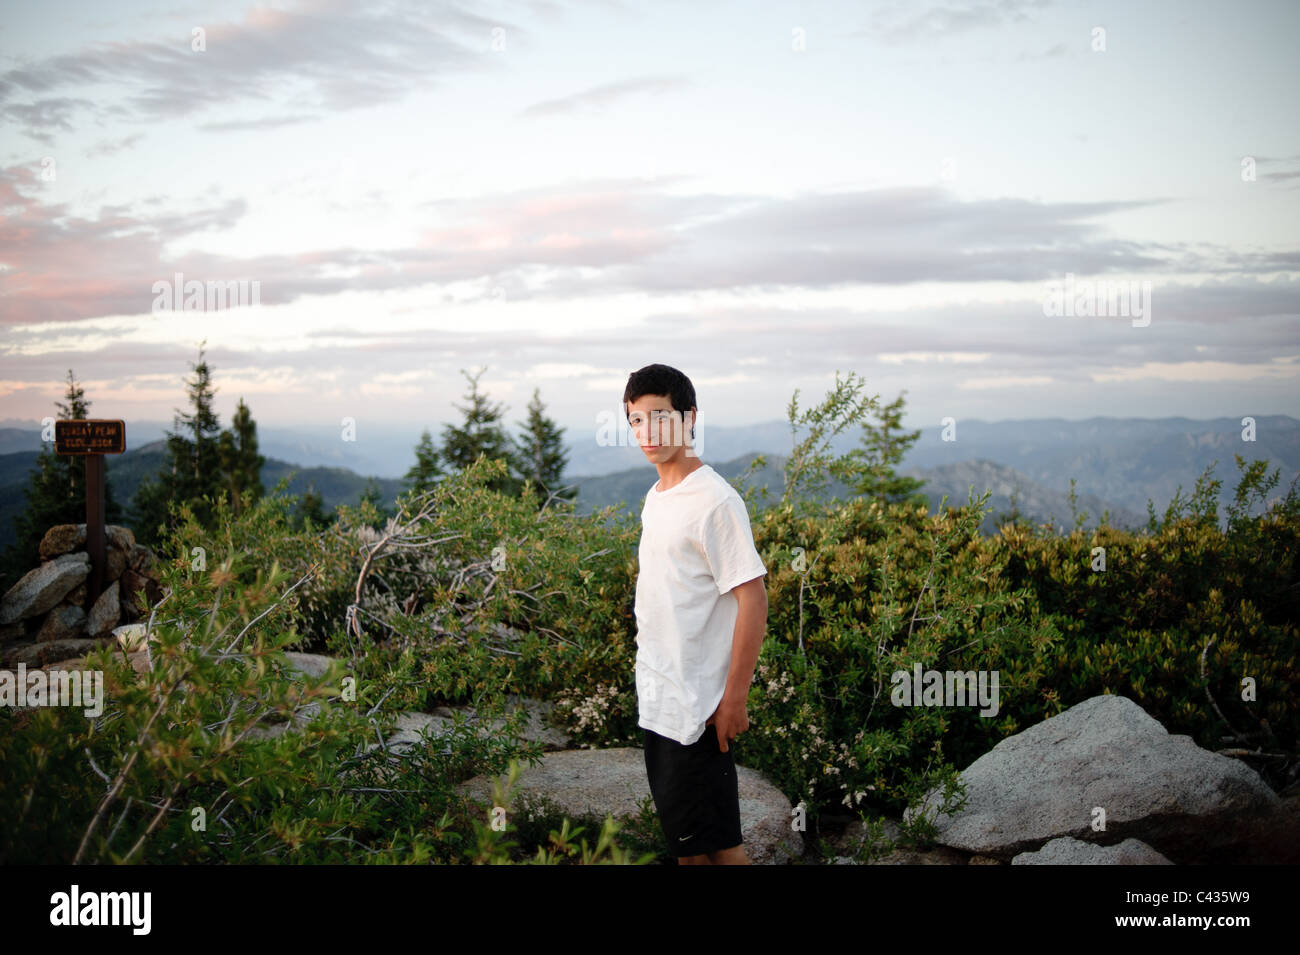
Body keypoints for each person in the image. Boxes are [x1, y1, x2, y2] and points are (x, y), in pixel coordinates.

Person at [623, 363, 769, 865]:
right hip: (662, 700)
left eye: (659, 417)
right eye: (636, 421)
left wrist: (735, 699)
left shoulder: (715, 501)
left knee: (724, 850)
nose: (647, 432)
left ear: (689, 419)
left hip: (701, 708)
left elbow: (753, 598)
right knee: (689, 849)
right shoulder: (657, 497)